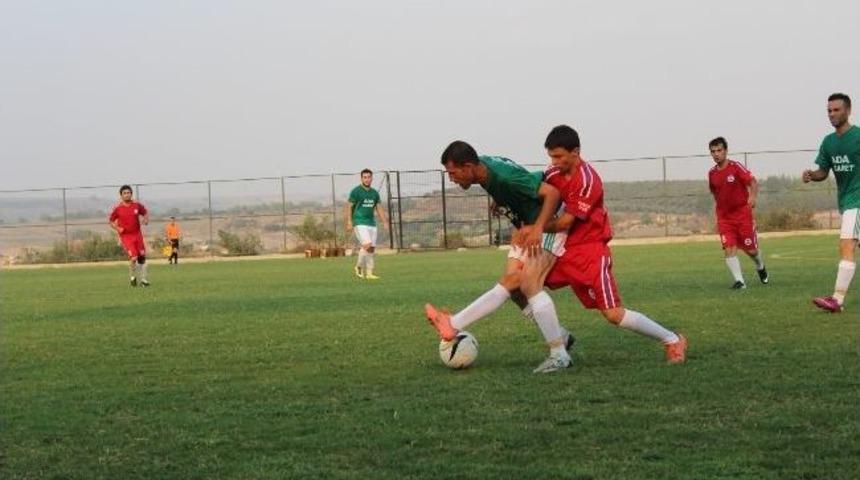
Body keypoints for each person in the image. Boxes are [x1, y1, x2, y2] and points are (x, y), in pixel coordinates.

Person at [541, 125, 687, 364]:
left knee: (613, 314)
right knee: (524, 286)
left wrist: (535, 228)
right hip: (563, 251)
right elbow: (535, 191)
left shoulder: (588, 180)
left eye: (558, 156)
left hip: (590, 253)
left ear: (575, 152)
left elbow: (566, 222)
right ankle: (560, 340)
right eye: (551, 156)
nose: (554, 162)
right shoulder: (552, 173)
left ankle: (672, 340)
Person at [424, 140, 573, 373]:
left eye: (453, 173)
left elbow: (552, 193)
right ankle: (562, 336)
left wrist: (538, 228)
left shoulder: (504, 178)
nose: (451, 179)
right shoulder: (484, 170)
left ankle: (559, 354)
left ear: (468, 166)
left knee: (526, 282)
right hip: (526, 223)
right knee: (514, 290)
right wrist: (501, 200)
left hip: (547, 222)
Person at [803, 93, 859, 313]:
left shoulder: (858, 136)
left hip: (857, 200)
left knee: (846, 245)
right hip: (846, 201)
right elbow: (823, 172)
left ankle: (837, 299)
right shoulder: (828, 142)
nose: (832, 114)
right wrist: (811, 175)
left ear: (848, 111)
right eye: (829, 110)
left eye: (836, 110)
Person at [707, 137, 769, 289]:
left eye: (719, 150)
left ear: (726, 151)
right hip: (724, 218)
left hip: (742, 216)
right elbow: (715, 192)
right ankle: (740, 282)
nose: (716, 154)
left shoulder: (736, 167)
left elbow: (752, 182)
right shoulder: (711, 173)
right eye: (713, 151)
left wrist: (752, 197)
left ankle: (760, 266)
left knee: (751, 250)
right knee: (729, 248)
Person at [345, 169, 388, 280]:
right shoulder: (356, 191)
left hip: (371, 223)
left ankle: (369, 273)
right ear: (361, 178)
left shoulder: (374, 193)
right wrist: (349, 221)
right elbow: (349, 206)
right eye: (365, 177)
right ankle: (358, 267)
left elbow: (379, 208)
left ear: (371, 178)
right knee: (367, 245)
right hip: (359, 222)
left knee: (371, 249)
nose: (367, 179)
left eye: (369, 177)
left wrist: (385, 222)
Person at [109, 185, 150, 287]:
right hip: (126, 236)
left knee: (142, 258)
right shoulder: (118, 208)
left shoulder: (136, 205)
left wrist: (145, 220)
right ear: (121, 196)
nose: (127, 195)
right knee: (134, 257)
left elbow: (145, 212)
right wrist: (118, 228)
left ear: (131, 194)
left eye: (129, 193)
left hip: (137, 234)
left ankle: (144, 280)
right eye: (125, 193)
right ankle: (132, 277)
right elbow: (111, 221)